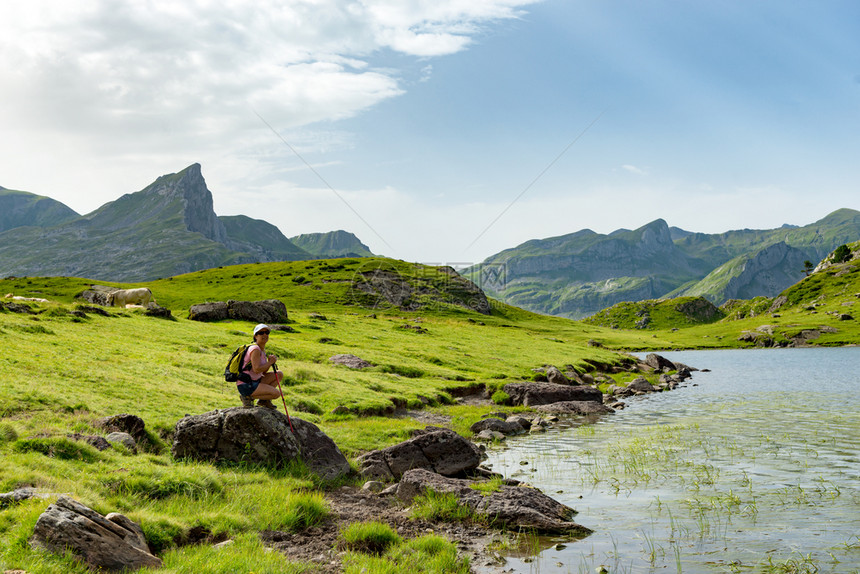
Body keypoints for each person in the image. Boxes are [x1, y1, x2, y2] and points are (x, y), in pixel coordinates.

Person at [236, 323, 284, 409]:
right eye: (261, 333)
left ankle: (263, 401)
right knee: (276, 393)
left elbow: (263, 372)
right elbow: (257, 369)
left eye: (267, 332)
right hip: (246, 384)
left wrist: (269, 362)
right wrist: (269, 363)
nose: (265, 335)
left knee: (279, 374)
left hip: (255, 381)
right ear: (255, 336)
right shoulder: (255, 349)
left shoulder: (261, 350)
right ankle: (247, 397)